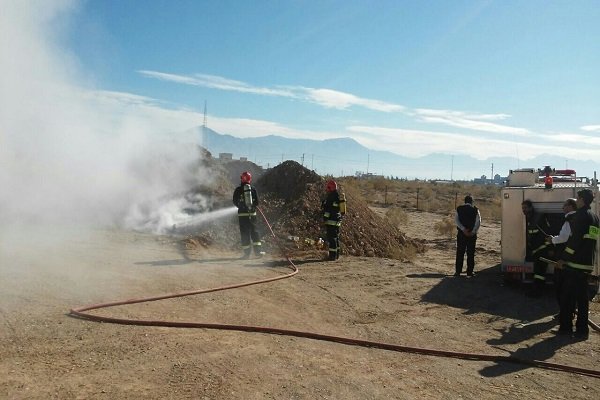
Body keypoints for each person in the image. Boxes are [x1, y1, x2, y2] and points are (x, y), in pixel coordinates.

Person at [556, 189, 599, 340]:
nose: (577, 200)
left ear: (581, 199)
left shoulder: (580, 216)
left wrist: (564, 258)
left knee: (567, 297)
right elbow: (590, 241)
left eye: (578, 198)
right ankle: (582, 330)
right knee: (582, 299)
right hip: (587, 264)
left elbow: (575, 241)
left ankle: (565, 328)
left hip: (575, 265)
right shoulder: (595, 217)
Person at [545, 198, 577, 312]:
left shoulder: (569, 220)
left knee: (561, 287)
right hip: (575, 260)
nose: (563, 208)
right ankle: (570, 311)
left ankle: (564, 314)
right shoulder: (580, 219)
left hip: (564, 259)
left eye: (564, 205)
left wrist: (552, 240)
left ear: (570, 206)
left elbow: (564, 237)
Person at [521, 199, 552, 297]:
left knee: (539, 273)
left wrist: (549, 248)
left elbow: (546, 235)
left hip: (542, 251)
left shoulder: (537, 219)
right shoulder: (530, 218)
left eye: (525, 208)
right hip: (537, 251)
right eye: (522, 208)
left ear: (530, 207)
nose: (523, 210)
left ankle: (537, 292)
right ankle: (538, 291)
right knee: (538, 273)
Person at [232, 171, 264, 259]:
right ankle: (258, 252)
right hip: (252, 214)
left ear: (242, 178)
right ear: (250, 179)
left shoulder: (238, 189)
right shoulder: (253, 189)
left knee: (245, 233)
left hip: (242, 215)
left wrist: (240, 206)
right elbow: (257, 202)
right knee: (254, 232)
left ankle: (247, 254)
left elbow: (234, 201)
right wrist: (252, 206)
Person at [454, 195, 481, 277]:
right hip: (472, 235)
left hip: (461, 234)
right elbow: (478, 221)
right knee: (471, 253)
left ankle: (458, 271)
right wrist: (473, 232)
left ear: (465, 201)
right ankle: (469, 272)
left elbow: (456, 220)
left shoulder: (459, 209)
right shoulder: (475, 210)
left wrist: (463, 229)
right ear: (472, 202)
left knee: (460, 252)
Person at [322, 180, 346, 261]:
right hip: (337, 220)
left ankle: (332, 256)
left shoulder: (331, 197)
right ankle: (336, 255)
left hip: (331, 221)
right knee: (336, 238)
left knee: (332, 239)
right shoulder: (338, 196)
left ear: (330, 188)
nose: (327, 189)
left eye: (328, 187)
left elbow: (328, 210)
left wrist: (325, 218)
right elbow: (337, 209)